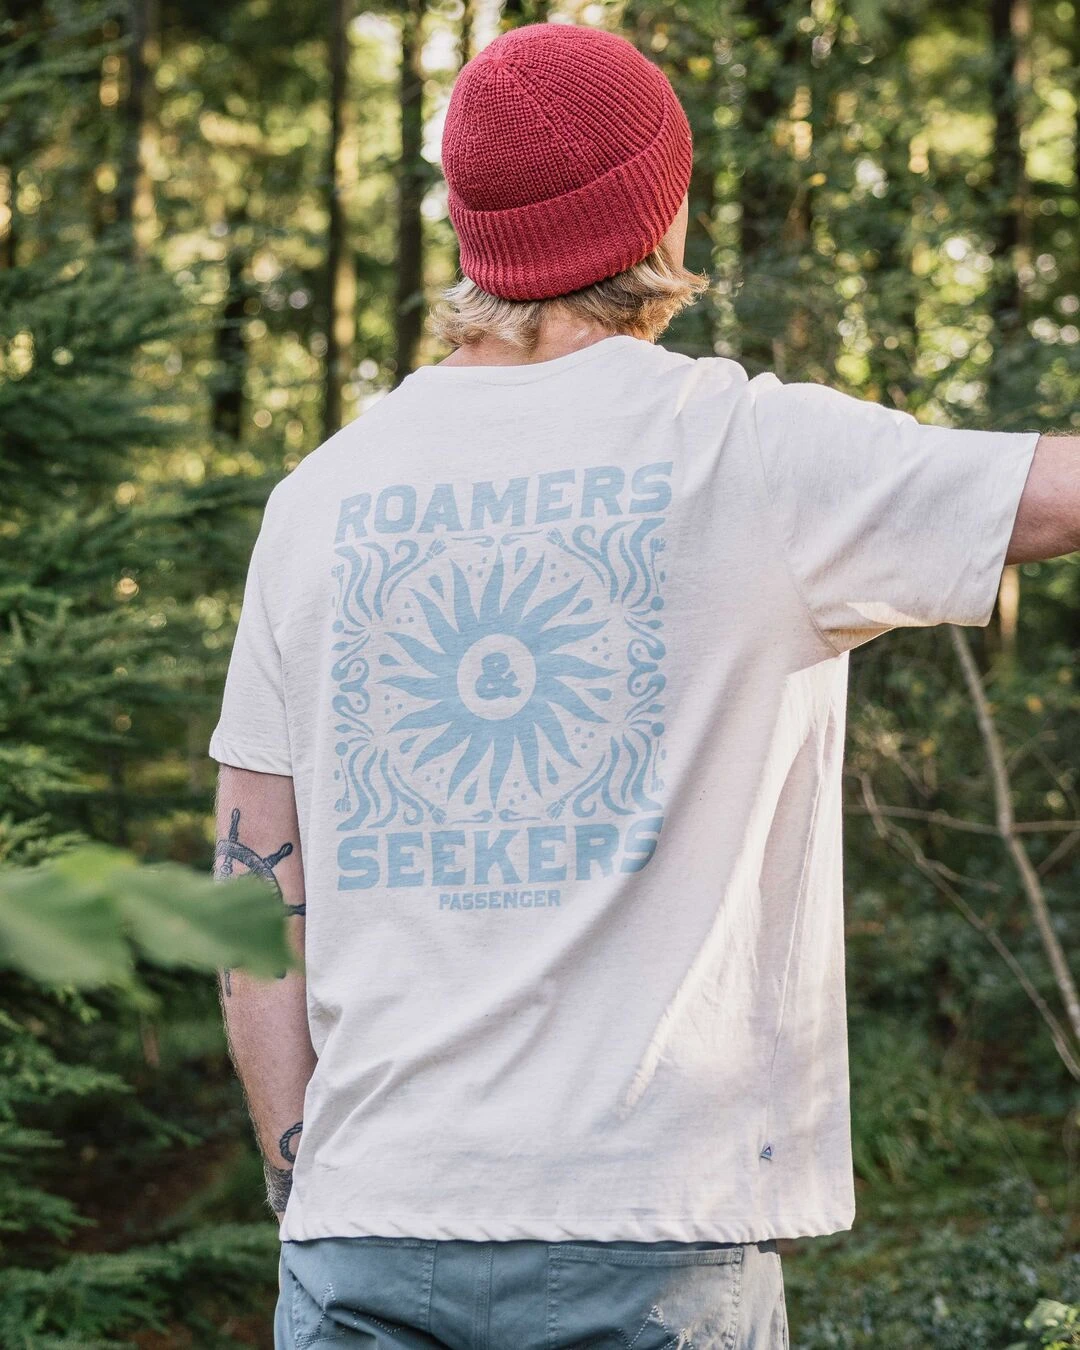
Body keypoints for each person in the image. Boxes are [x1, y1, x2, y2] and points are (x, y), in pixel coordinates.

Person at [208, 21, 1080, 1350]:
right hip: (648, 1237)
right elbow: (1055, 494)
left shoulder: (316, 501)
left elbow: (250, 890)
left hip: (365, 1228)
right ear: (658, 216)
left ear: (470, 232)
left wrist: (302, 1179)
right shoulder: (746, 450)